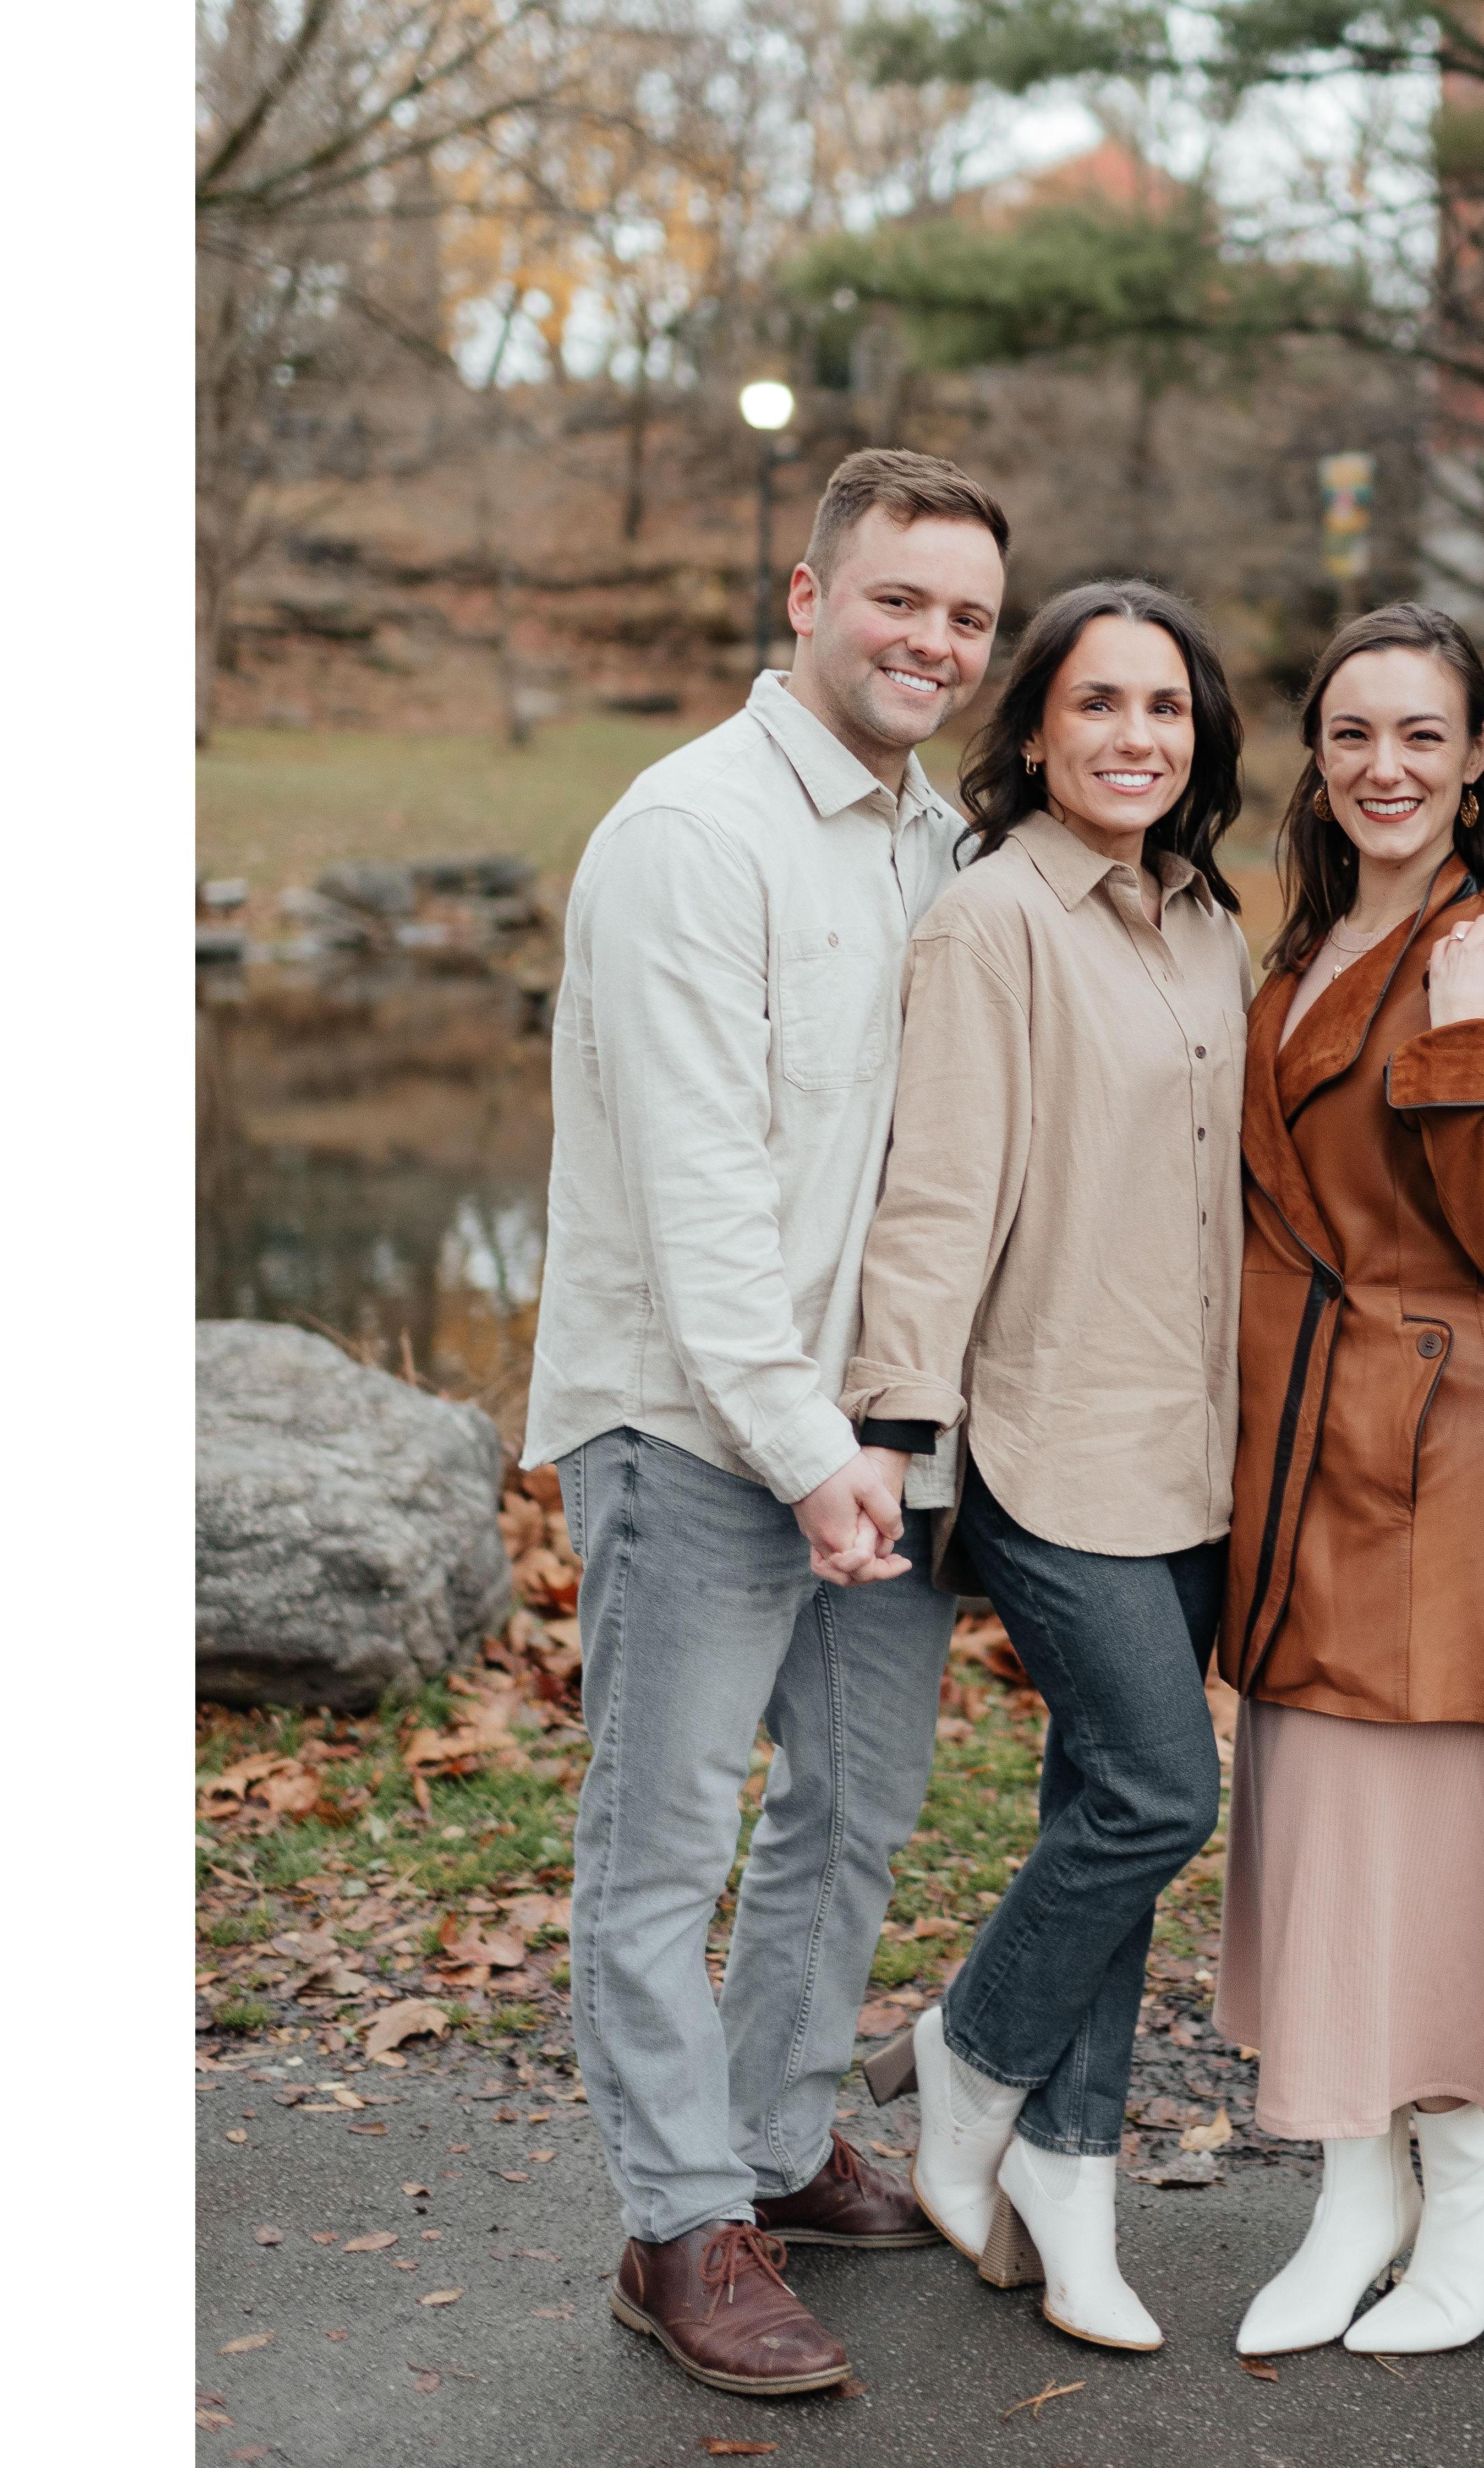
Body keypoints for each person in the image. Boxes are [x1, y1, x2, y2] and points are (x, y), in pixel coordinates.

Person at [523, 451, 1012, 2395]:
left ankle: (782, 2137)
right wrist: (806, 1452)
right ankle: (675, 2222)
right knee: (662, 1842)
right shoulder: (688, 835)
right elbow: (698, 1194)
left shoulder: (934, 834)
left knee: (852, 1814)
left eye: (968, 615)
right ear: (807, 596)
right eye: (900, 599)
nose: (935, 641)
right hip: (699, 1431)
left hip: (878, 1441)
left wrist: (880, 1436)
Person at [840, 580, 1251, 2354]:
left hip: (1196, 1449)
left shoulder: (1207, 920)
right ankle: (966, 2047)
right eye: (1099, 704)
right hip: (1046, 1435)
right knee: (1164, 1797)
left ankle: (1064, 2197)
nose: (1135, 737)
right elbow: (935, 1197)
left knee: (1102, 1810)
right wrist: (894, 1431)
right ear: (1032, 732)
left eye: (1164, 708)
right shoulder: (989, 921)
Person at [1213, 604, 1484, 2359]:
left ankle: (1478, 2159)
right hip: (1297, 1442)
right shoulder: (1296, 942)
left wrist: (1452, 1044)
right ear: (1318, 752)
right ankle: (1355, 2179)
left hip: (1440, 1448)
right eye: (1353, 733)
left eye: (1421, 736)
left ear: (1476, 756)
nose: (1384, 767)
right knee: (1315, 1817)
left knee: (1411, 1825)